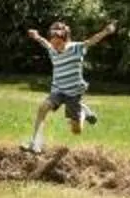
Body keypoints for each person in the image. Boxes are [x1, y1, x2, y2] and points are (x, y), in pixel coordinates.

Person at [22, 18, 117, 152]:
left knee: (76, 131)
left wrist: (106, 31)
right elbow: (45, 43)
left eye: (58, 43)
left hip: (73, 93)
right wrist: (36, 36)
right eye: (53, 43)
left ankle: (83, 112)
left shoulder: (76, 48)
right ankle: (35, 142)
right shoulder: (52, 49)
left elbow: (91, 41)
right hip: (58, 90)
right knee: (43, 108)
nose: (55, 47)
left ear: (65, 39)